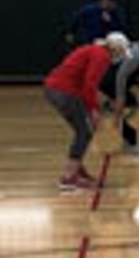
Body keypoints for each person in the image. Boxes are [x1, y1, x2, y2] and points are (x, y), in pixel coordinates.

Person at [44, 36, 128, 190]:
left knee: (82, 130)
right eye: (122, 51)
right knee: (85, 132)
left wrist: (102, 104)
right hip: (65, 92)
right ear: (114, 48)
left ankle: (77, 170)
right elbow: (89, 84)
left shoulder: (93, 50)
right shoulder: (102, 56)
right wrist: (93, 110)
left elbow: (87, 84)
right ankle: (68, 177)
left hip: (56, 90)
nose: (121, 55)